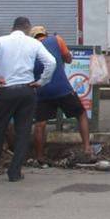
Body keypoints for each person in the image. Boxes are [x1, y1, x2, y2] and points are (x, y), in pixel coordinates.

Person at [0, 17, 56, 183]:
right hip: (27, 91)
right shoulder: (33, 43)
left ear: (12, 27)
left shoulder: (0, 41)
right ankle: (14, 172)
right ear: (28, 29)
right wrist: (41, 81)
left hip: (5, 90)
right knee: (23, 132)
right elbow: (51, 62)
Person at [29, 25, 92, 162]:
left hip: (41, 90)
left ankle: (39, 156)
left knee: (40, 124)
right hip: (62, 88)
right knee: (81, 114)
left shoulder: (29, 47)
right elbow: (68, 58)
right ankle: (87, 148)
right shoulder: (56, 39)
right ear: (45, 33)